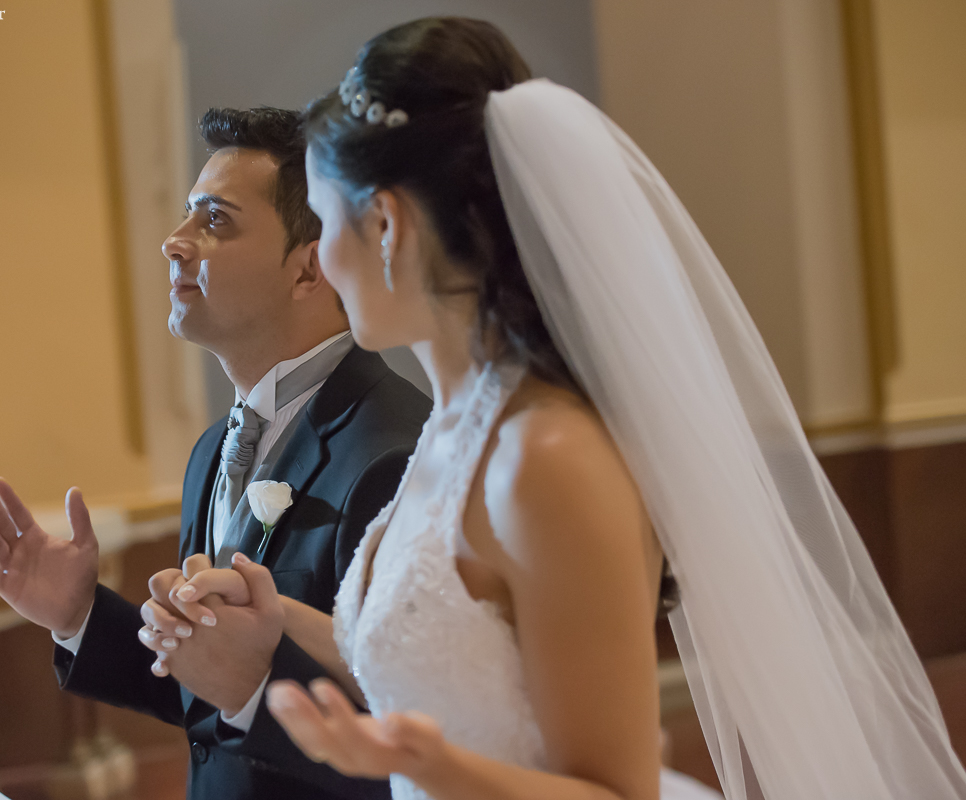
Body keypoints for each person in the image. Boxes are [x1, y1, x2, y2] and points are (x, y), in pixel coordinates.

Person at [147, 17, 966, 800]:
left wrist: (421, 765)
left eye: (325, 223)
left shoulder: (548, 458)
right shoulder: (456, 422)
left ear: (387, 224)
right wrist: (280, 621)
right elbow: (436, 654)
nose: (320, 259)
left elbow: (614, 790)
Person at [0, 107, 429, 800]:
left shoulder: (393, 455)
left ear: (309, 268)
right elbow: (206, 698)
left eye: (213, 221)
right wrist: (80, 618)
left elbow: (415, 749)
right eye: (187, 216)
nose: (173, 242)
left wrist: (254, 691)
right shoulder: (211, 451)